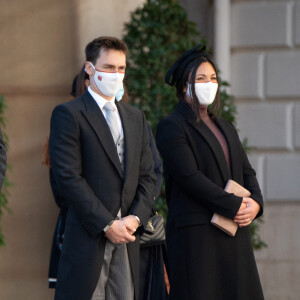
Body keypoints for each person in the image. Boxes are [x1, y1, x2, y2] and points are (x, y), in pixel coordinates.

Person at [49, 36, 156, 300]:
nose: (116, 74)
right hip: (89, 237)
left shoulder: (135, 117)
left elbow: (150, 175)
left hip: (128, 238)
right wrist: (107, 224)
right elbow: (68, 178)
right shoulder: (69, 114)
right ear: (89, 68)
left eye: (121, 68)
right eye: (108, 67)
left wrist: (135, 219)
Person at [156, 44, 264, 300]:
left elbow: (246, 172)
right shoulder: (172, 126)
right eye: (201, 78)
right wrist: (236, 205)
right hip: (197, 238)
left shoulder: (224, 126)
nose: (209, 84)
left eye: (213, 78)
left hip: (232, 232)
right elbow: (189, 178)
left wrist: (256, 204)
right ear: (185, 86)